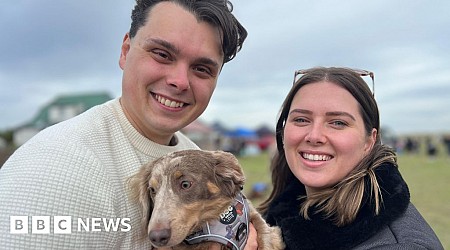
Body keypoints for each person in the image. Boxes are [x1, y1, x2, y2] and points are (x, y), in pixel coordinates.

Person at [0, 0, 256, 249]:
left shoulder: (195, 157)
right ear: (125, 51)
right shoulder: (55, 170)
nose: (180, 81)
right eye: (162, 54)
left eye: (201, 69)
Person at [258, 67, 443, 249]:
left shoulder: (398, 245)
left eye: (338, 123)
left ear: (369, 141)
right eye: (301, 119)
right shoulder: (280, 217)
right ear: (283, 132)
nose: (314, 136)